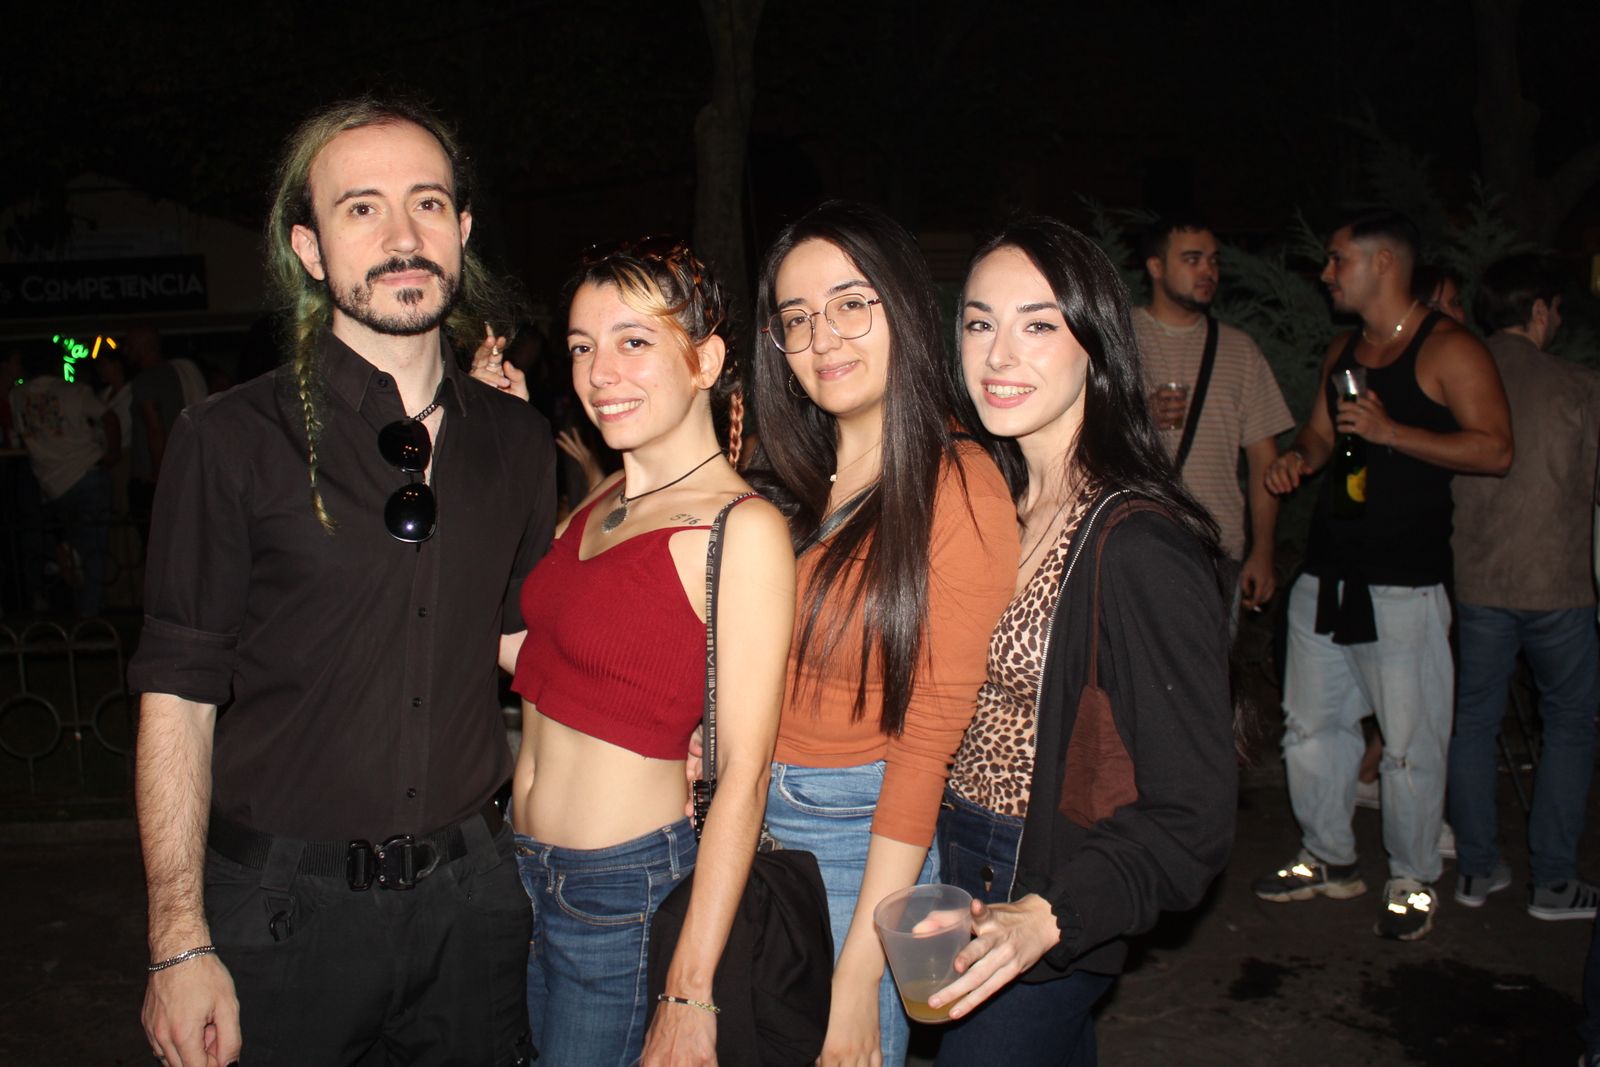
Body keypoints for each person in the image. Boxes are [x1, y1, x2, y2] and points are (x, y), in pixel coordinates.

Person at [129, 97, 556, 1067]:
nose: (403, 236)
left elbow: (527, 650)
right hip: (281, 917)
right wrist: (177, 938)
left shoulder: (519, 443)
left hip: (471, 910)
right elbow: (179, 701)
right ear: (310, 248)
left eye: (428, 204)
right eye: (362, 208)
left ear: (463, 229)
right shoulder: (229, 439)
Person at [923, 217, 1235, 1064]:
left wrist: (1049, 914)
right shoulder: (995, 503)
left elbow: (1194, 812)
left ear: (1095, 344)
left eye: (1037, 325)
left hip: (1045, 878)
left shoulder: (1136, 541)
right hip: (948, 855)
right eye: (980, 322)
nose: (998, 355)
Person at [480, 239, 795, 1065]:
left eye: (633, 341)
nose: (598, 370)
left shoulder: (740, 528)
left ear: (706, 360)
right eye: (582, 346)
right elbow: (533, 657)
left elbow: (745, 774)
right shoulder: (606, 497)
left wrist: (689, 991)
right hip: (524, 865)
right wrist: (488, 448)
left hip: (620, 888)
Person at [744, 199, 1019, 1066]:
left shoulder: (960, 481)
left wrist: (861, 975)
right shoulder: (789, 481)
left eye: (850, 303)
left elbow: (927, 746)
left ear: (902, 306)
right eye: (797, 317)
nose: (822, 335)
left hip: (859, 845)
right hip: (751, 823)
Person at [1253, 210, 1512, 941]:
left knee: (1408, 742)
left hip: (1406, 582)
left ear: (1384, 264)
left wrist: (1395, 431)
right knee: (1310, 727)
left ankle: (1412, 875)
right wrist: (1298, 460)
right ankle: (1328, 855)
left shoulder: (1449, 348)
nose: (1326, 273)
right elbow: (1319, 431)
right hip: (1329, 574)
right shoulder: (1345, 349)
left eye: (1337, 260)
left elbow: (1496, 449)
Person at [1448, 253, 1600, 918]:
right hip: (1558, 585)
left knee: (1473, 723)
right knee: (1569, 724)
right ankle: (1555, 879)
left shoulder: (1455, 375)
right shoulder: (1577, 385)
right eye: (1557, 310)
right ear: (1539, 310)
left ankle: (1477, 869)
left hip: (1477, 579)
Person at [1133, 217, 1294, 619]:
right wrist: (1137, 414)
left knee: (1210, 679)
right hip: (1133, 546)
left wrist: (1262, 550)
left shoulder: (1240, 351)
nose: (1208, 271)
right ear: (1156, 267)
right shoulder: (1119, 337)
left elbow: (1263, 459)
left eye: (1213, 260)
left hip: (1216, 551)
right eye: (1192, 259)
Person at [10, 345, 120, 617]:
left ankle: (75, 604)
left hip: (51, 483)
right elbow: (109, 416)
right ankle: (89, 615)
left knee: (73, 547)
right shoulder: (75, 391)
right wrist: (112, 453)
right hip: (87, 473)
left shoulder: (17, 396)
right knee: (94, 549)